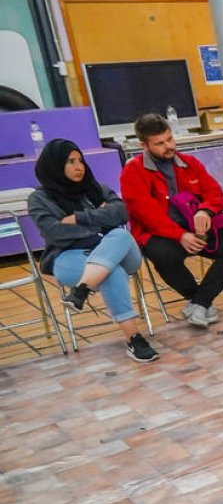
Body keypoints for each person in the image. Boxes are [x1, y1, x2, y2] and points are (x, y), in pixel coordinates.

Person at [28, 139, 159, 362]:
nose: (79, 167)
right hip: (68, 256)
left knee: (120, 235)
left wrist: (79, 218)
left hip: (119, 250)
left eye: (81, 160)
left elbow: (122, 213)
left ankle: (81, 289)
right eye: (71, 162)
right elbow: (53, 232)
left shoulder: (94, 188)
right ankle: (134, 338)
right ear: (54, 165)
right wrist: (99, 222)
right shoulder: (39, 199)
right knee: (111, 270)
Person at [120, 113, 223, 329]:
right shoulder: (133, 171)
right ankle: (200, 301)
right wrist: (179, 235)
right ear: (143, 145)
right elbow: (146, 214)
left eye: (169, 139)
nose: (168, 146)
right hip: (159, 234)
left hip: (195, 228)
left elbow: (214, 193)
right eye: (159, 143)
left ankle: (199, 303)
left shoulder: (189, 162)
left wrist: (205, 211)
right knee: (164, 256)